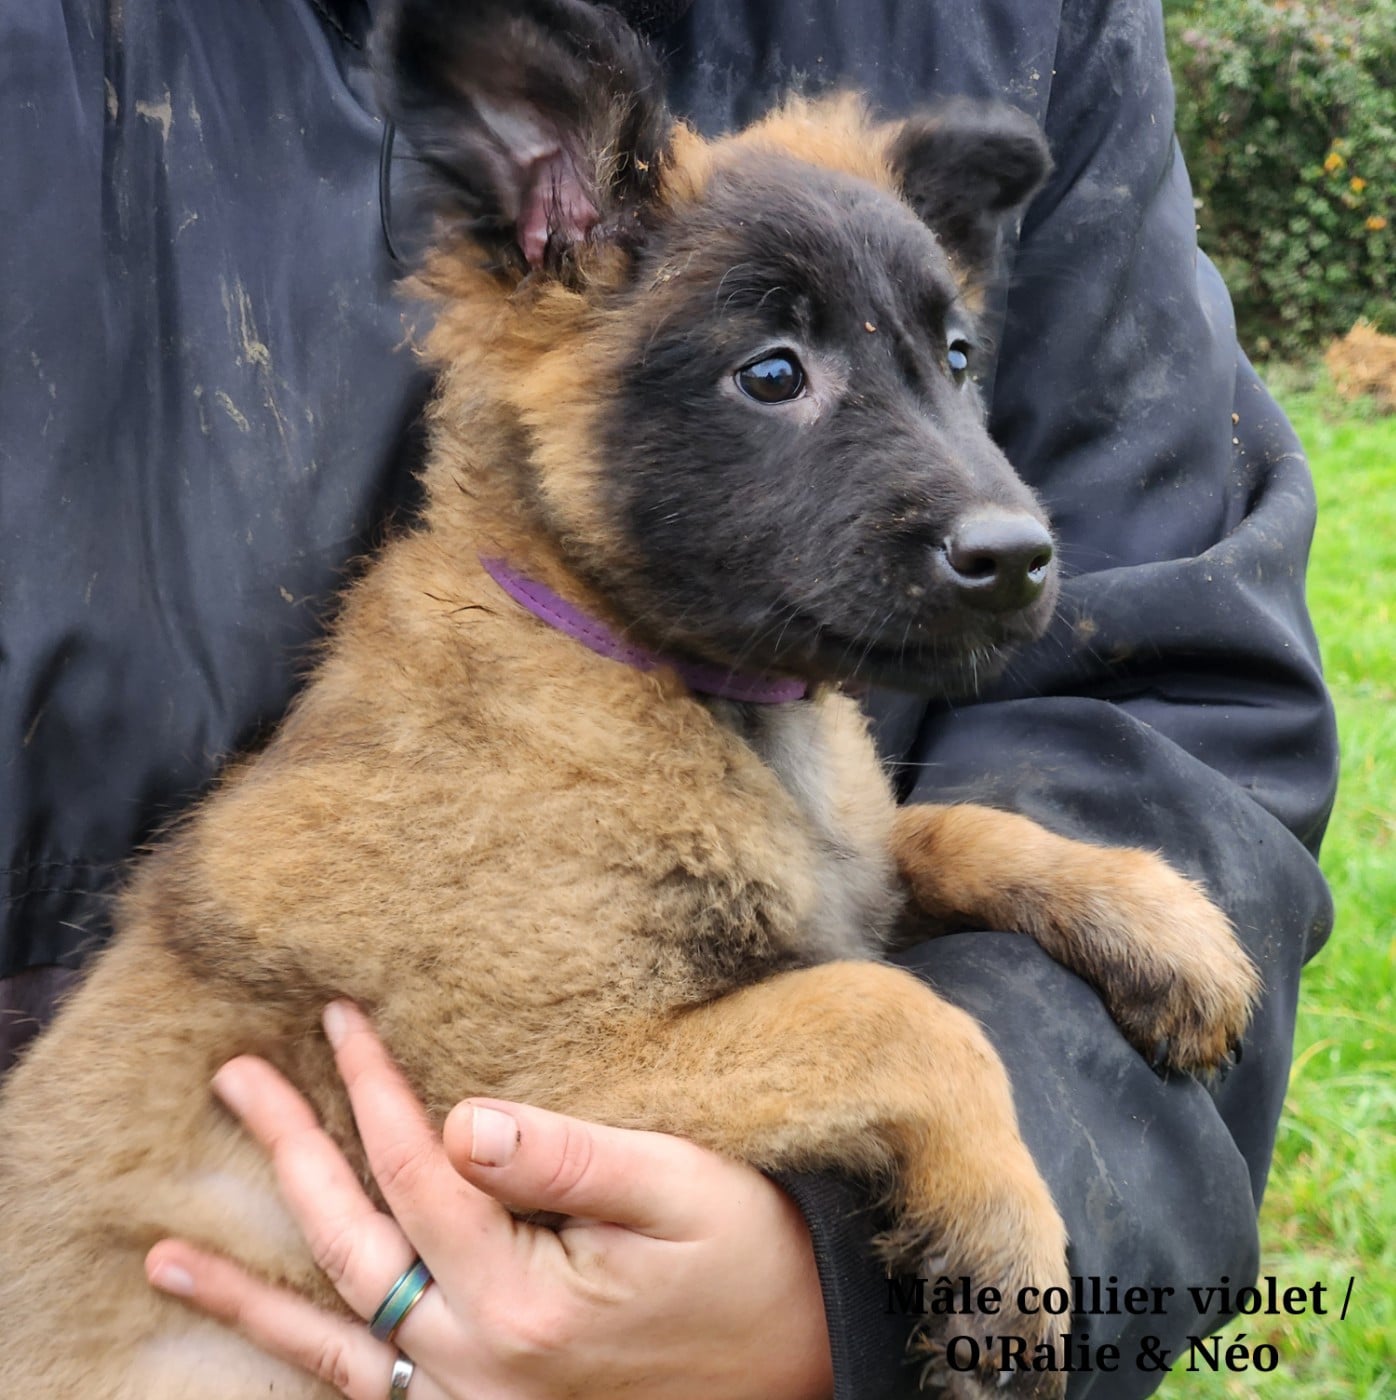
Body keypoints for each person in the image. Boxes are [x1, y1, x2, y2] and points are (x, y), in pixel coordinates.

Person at [0, 1, 1338, 1397]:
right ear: (543, 249)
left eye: (945, 365)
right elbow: (530, 1086)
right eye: (779, 375)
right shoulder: (475, 707)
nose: (984, 497)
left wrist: (985, 865)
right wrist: (914, 1059)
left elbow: (1113, 727)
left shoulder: (773, 679)